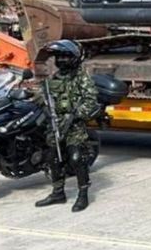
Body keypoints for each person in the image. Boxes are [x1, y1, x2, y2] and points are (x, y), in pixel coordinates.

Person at [32, 40, 100, 212]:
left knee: (76, 158)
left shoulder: (81, 77)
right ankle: (58, 193)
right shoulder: (54, 78)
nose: (61, 60)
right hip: (56, 124)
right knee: (53, 158)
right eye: (59, 57)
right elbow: (42, 95)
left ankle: (83, 194)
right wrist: (40, 100)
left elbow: (90, 100)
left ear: (74, 58)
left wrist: (76, 115)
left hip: (74, 125)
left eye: (65, 57)